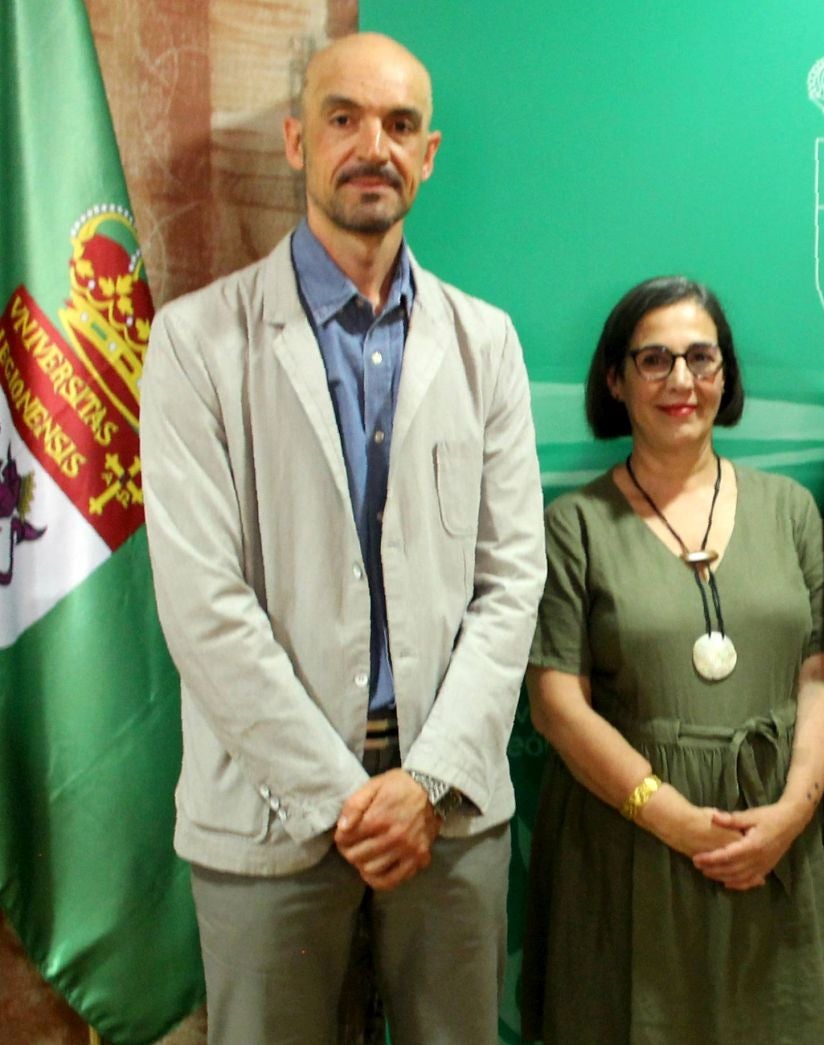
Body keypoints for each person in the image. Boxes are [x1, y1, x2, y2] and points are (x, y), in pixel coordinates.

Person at [142, 32, 544, 1043]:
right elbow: (203, 602)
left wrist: (425, 780)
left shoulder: (484, 341)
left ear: (431, 152)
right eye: (344, 118)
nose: (375, 145)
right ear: (294, 141)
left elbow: (512, 581)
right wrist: (343, 798)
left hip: (447, 811)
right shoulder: (196, 341)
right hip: (267, 816)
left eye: (401, 124)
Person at [519, 277, 824, 1042]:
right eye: (655, 360)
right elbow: (557, 706)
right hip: (627, 841)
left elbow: (823, 675)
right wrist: (673, 821)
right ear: (615, 378)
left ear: (727, 374)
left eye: (702, 358)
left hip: (773, 840)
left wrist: (790, 815)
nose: (681, 381)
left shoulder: (793, 510)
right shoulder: (575, 524)